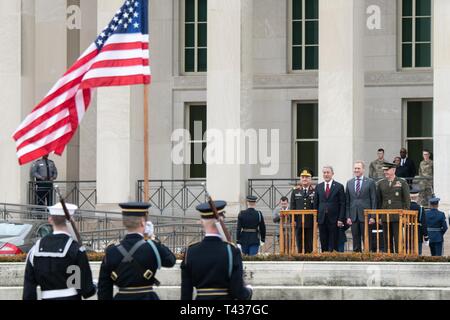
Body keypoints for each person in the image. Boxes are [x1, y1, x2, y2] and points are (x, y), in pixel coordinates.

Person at [97, 202, 176, 300]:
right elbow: (171, 260)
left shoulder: (111, 251)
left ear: (124, 222)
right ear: (143, 222)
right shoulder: (152, 247)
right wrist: (153, 238)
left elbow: (104, 288)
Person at [181, 200, 252, 300]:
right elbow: (238, 292)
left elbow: (185, 295)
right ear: (221, 220)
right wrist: (248, 291)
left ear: (201, 222)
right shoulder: (231, 251)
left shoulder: (190, 252)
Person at [23, 203, 96, 300]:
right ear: (71, 220)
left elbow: (29, 291)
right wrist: (94, 287)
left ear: (50, 220)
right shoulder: (75, 249)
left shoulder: (35, 249)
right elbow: (87, 290)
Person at [376, 162, 410, 253]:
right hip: (385, 215)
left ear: (393, 170)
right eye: (384, 170)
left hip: (397, 216)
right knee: (387, 239)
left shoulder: (401, 182)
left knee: (398, 239)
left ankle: (399, 257)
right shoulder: (380, 183)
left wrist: (405, 215)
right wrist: (379, 216)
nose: (385, 172)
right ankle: (389, 257)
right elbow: (379, 201)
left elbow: (407, 200)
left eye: (387, 170)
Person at [345, 161, 377, 252]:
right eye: (355, 168)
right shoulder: (349, 182)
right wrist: (348, 216)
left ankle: (368, 255)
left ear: (363, 169)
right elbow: (347, 201)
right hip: (354, 215)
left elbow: (374, 200)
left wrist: (373, 216)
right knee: (355, 238)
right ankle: (356, 256)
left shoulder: (370, 182)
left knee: (367, 238)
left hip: (366, 216)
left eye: (358, 168)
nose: (356, 170)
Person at [314, 166, 346, 252]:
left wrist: (340, 219)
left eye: (328, 172)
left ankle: (332, 258)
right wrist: (316, 219)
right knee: (323, 240)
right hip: (322, 218)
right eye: (324, 173)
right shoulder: (318, 187)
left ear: (332, 174)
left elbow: (342, 204)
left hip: (334, 219)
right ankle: (324, 257)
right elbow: (316, 204)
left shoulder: (339, 186)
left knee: (333, 241)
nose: (326, 174)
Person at [290, 168, 315, 253]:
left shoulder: (314, 191)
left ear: (310, 179)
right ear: (300, 179)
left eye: (307, 177)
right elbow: (292, 207)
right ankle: (300, 257)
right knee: (299, 241)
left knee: (309, 242)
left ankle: (309, 258)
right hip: (298, 221)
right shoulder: (295, 191)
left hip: (310, 221)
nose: (304, 179)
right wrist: (292, 220)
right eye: (303, 177)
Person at [409, 187, 428, 255]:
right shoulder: (420, 208)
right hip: (418, 234)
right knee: (418, 254)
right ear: (417, 198)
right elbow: (424, 224)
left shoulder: (405, 207)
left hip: (406, 233)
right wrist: (426, 237)